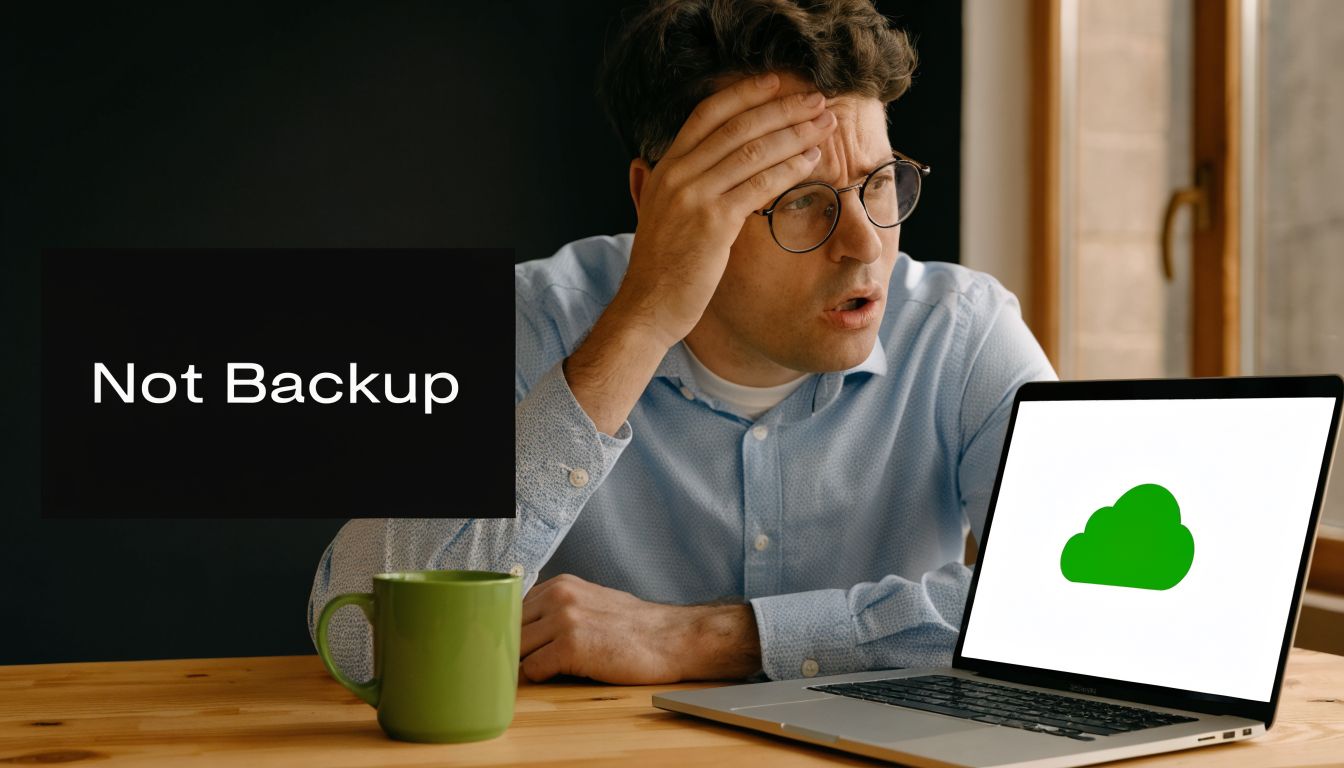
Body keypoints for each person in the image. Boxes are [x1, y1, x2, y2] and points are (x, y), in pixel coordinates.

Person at [309, 0, 1055, 686]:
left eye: (880, 182)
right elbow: (360, 640)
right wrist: (641, 321)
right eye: (801, 201)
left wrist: (709, 638)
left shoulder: (962, 331)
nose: (866, 244)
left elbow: (1077, 604)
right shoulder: (524, 322)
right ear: (657, 201)